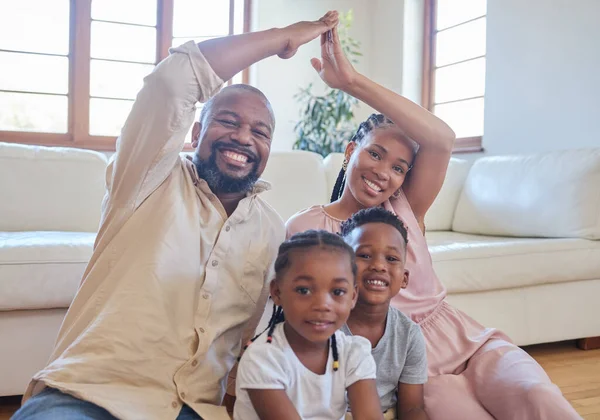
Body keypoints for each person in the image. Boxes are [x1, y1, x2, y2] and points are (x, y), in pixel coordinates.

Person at [13, 11, 340, 420]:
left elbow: (253, 343)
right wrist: (283, 37)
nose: (243, 136)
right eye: (227, 121)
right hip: (89, 397)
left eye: (260, 132)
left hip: (193, 410)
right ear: (196, 133)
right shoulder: (148, 175)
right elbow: (171, 83)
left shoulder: (273, 230)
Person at [286, 22, 582, 420]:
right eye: (374, 155)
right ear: (351, 150)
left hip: (470, 342)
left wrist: (352, 82)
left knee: (537, 396)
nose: (383, 173)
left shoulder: (405, 207)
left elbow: (441, 139)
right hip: (408, 366)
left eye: (398, 167)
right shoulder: (307, 227)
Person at [233, 230, 383, 420]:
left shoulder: (353, 352)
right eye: (304, 290)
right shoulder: (263, 358)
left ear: (353, 296)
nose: (322, 304)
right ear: (277, 292)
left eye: (337, 291)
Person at [340, 208, 428, 420]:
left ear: (404, 278)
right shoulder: (322, 326)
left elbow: (412, 408)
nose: (378, 265)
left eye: (391, 258)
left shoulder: (409, 335)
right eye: (365, 255)